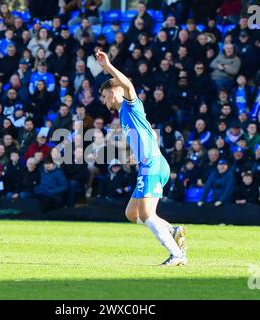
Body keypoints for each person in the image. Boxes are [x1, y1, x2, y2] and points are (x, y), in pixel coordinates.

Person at [96, 49, 187, 266]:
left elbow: (127, 85)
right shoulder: (123, 113)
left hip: (152, 164)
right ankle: (173, 230)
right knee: (131, 213)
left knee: (147, 214)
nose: (103, 100)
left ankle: (177, 255)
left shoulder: (130, 103)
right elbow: (150, 133)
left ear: (113, 91)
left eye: (104, 95)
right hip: (149, 163)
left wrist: (107, 66)